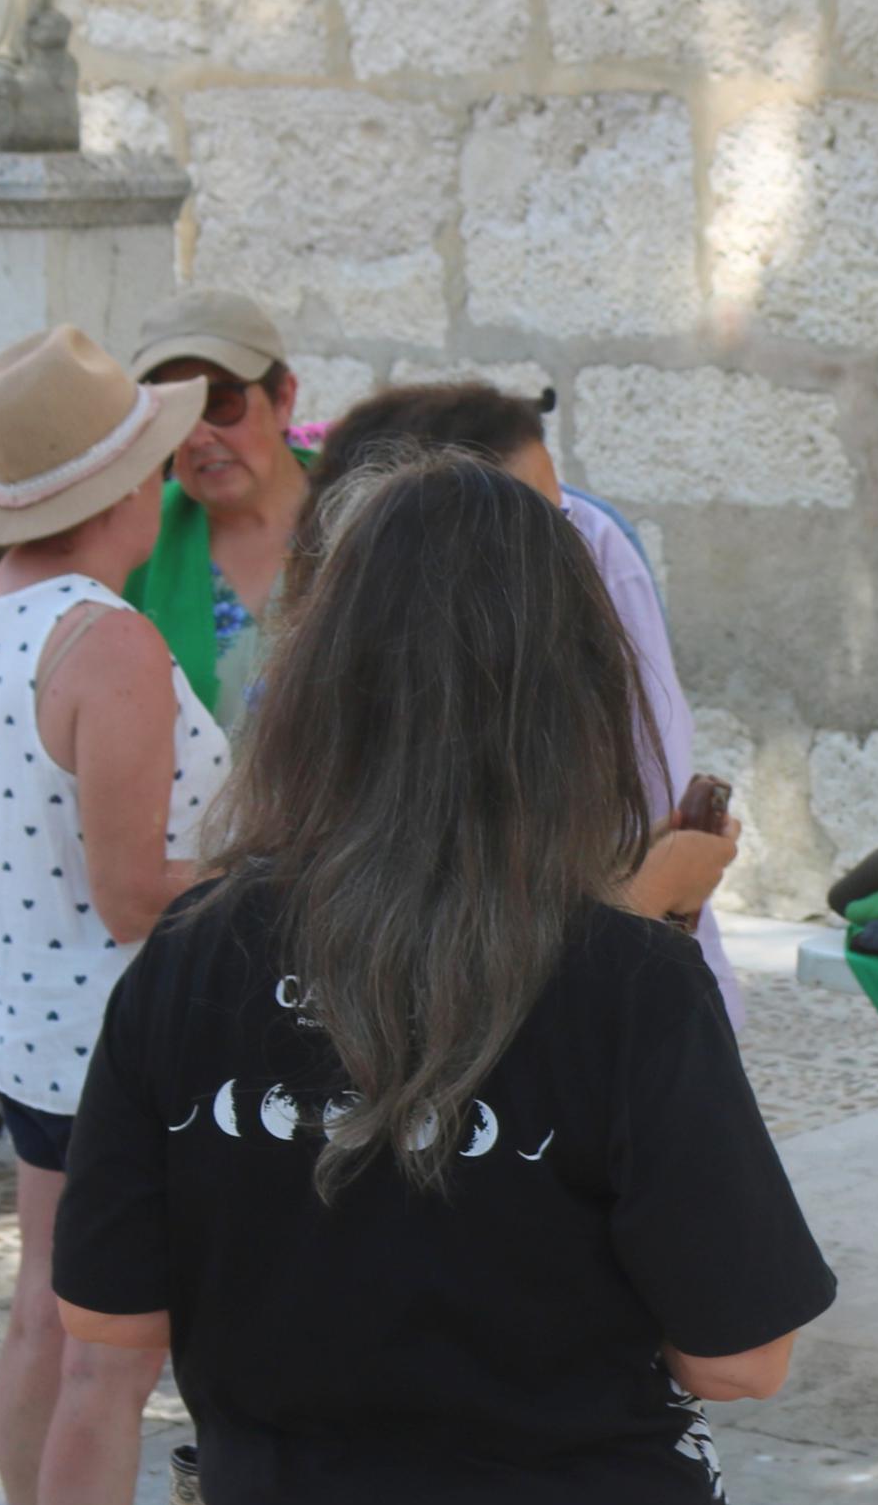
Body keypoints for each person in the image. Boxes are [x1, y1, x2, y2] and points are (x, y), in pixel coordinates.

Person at [39, 448, 834, 1505]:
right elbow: (740, 1355)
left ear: (318, 683)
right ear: (568, 703)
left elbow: (100, 1342)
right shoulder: (623, 982)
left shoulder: (187, 970)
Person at [0, 326, 228, 1505]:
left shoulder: (2, 609)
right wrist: (283, 864)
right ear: (120, 487)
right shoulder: (104, 640)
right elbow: (137, 894)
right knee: (108, 1355)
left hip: (32, 1029)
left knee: (44, 1326)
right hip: (125, 1044)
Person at [307, 379, 741, 1025]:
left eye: (561, 517)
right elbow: (495, 983)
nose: (566, 549)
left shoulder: (592, 559)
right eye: (532, 524)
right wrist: (659, 890)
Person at [118, 288, 311, 724]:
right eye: (173, 411)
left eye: (220, 403)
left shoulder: (366, 519)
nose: (198, 436)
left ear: (283, 399)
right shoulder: (132, 540)